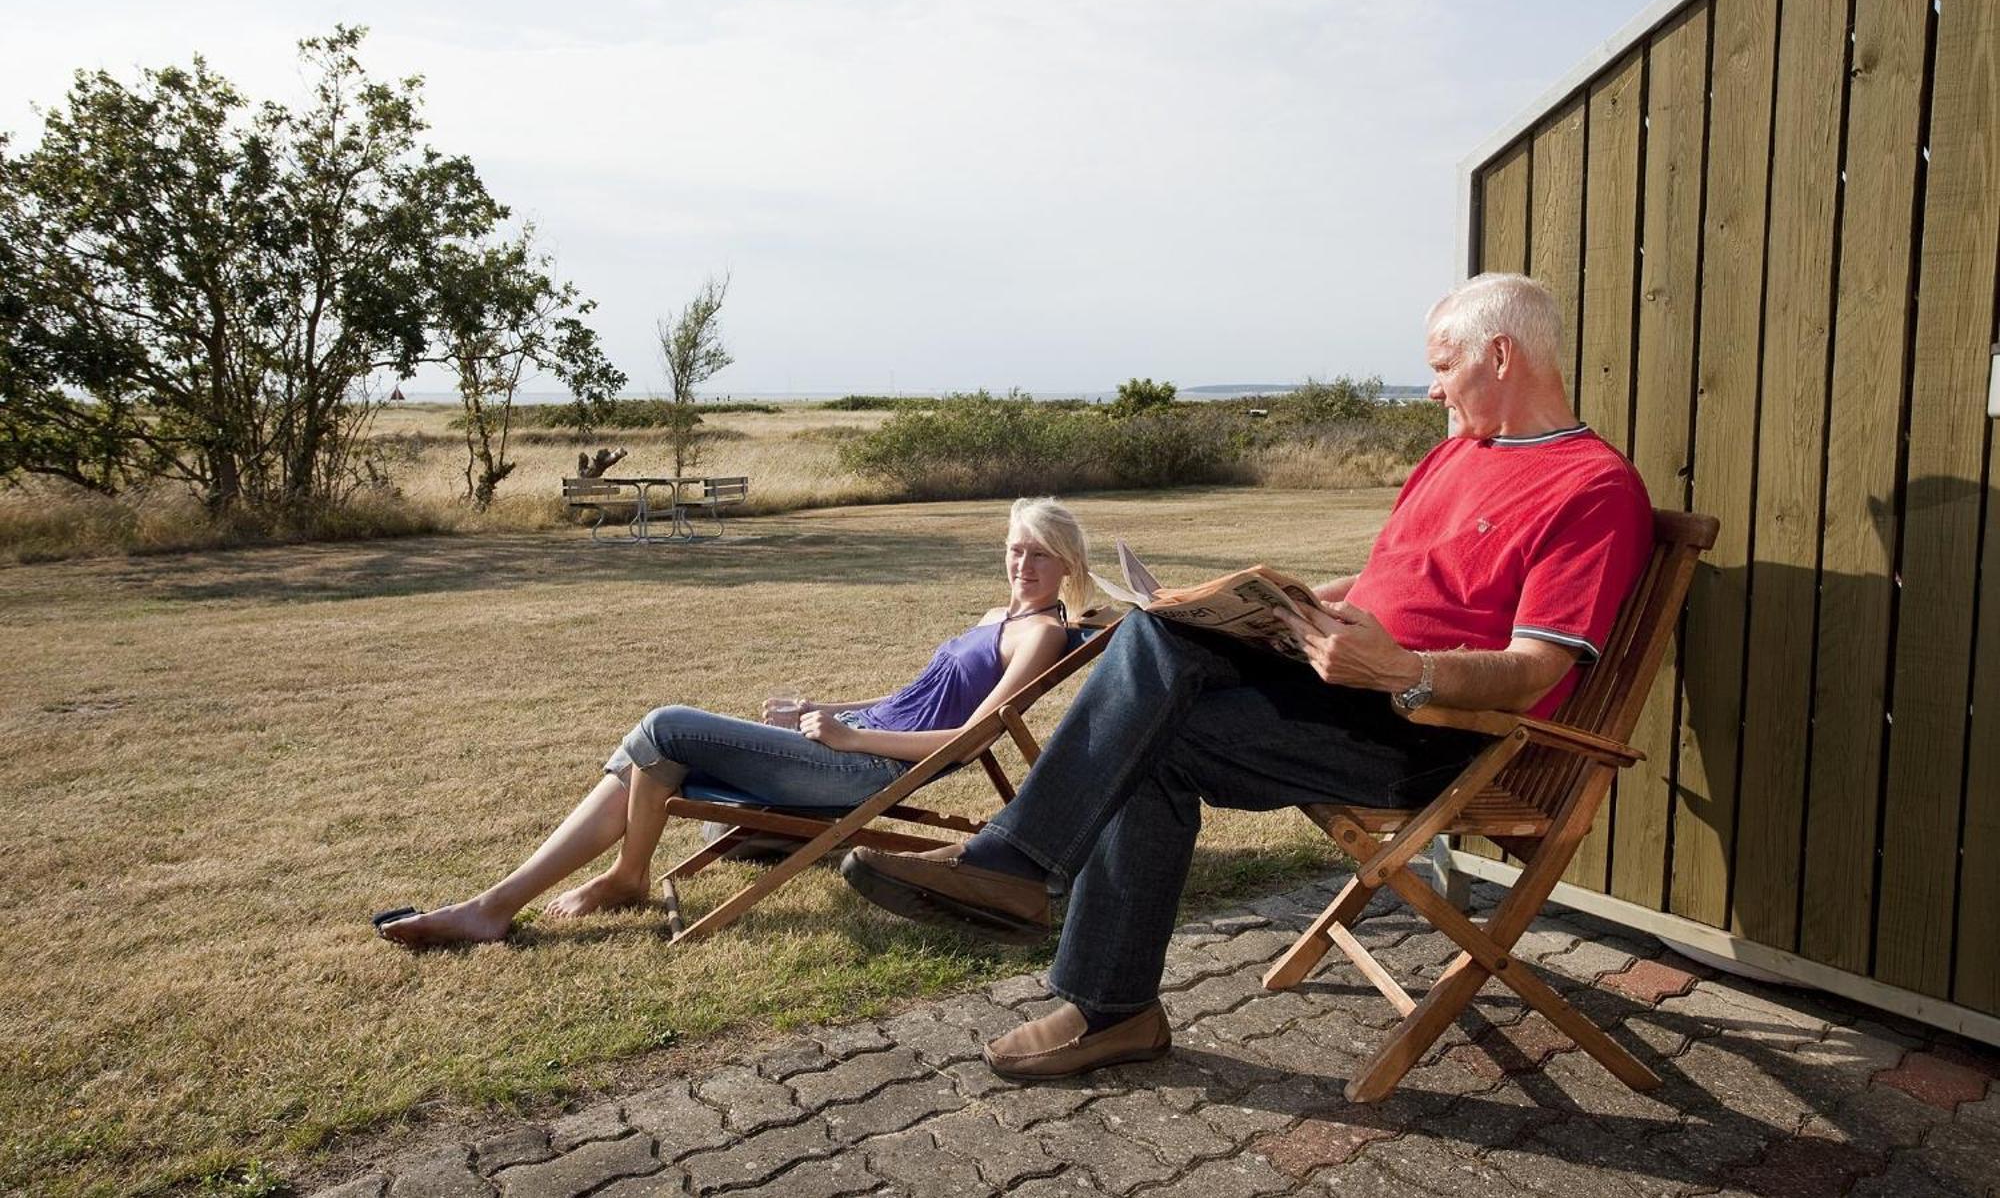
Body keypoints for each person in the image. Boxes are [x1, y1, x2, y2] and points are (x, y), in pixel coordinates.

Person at [840, 273, 1654, 1080]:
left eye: (1442, 365)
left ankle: (1070, 948)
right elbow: (1387, 583)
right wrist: (1272, 601)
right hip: (1337, 684)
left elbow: (1534, 669)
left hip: (1430, 733)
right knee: (1159, 628)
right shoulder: (1452, 457)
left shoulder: (1591, 487)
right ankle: (1069, 946)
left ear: (1501, 355)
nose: (1432, 385)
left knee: (1150, 738)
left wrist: (1407, 669)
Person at [376, 497, 1093, 948]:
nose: (1021, 562)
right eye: (1014, 548)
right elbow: (911, 696)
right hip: (851, 743)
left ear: (1065, 564)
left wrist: (851, 739)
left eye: (1037, 553)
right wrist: (828, 708)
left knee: (664, 726)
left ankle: (597, 882)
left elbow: (974, 736)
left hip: (869, 769)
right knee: (649, 754)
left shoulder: (1041, 634)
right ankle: (512, 900)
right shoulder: (996, 615)